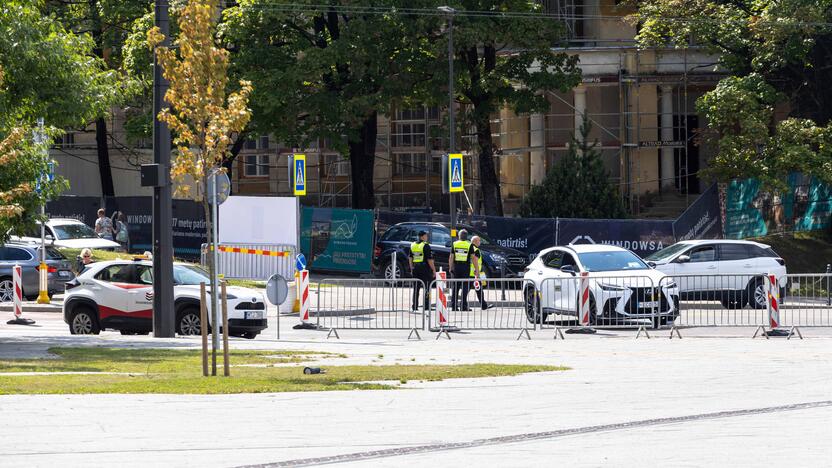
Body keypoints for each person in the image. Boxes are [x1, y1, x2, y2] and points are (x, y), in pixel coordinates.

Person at [409, 230, 435, 311]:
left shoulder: (412, 245)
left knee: (416, 288)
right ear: (422, 237)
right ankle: (426, 305)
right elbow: (429, 259)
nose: (427, 237)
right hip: (425, 269)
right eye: (426, 236)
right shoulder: (425, 245)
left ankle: (415, 306)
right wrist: (434, 270)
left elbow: (410, 258)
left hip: (415, 268)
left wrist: (411, 268)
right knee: (427, 287)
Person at [448, 229, 472, 311]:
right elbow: (474, 258)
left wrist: (450, 267)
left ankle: (454, 306)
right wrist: (476, 269)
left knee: (455, 287)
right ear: (466, 236)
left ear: (459, 236)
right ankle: (463, 306)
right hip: (465, 267)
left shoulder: (455, 244)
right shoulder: (469, 244)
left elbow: (451, 257)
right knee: (465, 287)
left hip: (456, 267)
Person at [468, 236, 493, 310]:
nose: (480, 242)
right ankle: (483, 305)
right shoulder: (476, 250)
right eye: (479, 240)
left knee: (477, 290)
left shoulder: (469, 248)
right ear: (475, 241)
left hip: (471, 273)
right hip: (475, 274)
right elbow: (475, 261)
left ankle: (483, 305)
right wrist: (478, 271)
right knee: (478, 290)